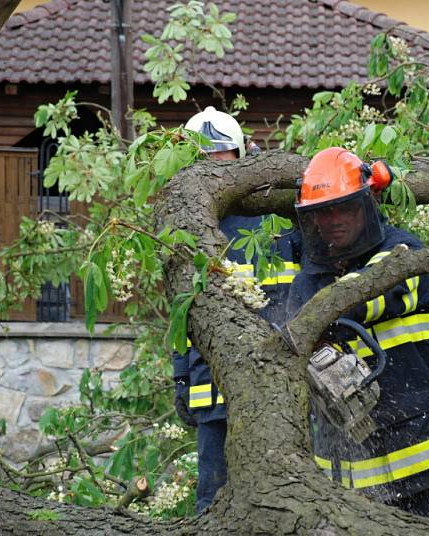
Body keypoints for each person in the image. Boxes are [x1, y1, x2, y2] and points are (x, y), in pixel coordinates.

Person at [285, 147, 429, 525]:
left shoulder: (404, 253)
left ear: (367, 203)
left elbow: (359, 295)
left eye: (343, 208)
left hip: (423, 454)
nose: (333, 219)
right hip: (351, 475)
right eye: (323, 211)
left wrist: (315, 313)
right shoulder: (309, 278)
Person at [172, 107, 300, 512]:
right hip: (212, 389)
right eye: (204, 165)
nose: (214, 176)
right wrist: (180, 380)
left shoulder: (279, 220)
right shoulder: (187, 232)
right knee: (213, 500)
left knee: (286, 498)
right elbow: (184, 317)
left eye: (221, 163)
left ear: (243, 157)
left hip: (278, 390)